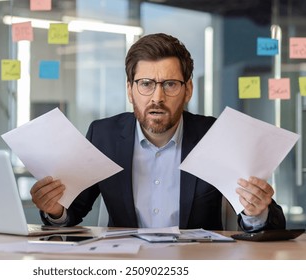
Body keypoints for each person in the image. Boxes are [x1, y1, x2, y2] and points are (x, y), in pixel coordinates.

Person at [31, 33, 285, 231]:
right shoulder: (104, 135)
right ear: (130, 90)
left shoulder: (214, 134)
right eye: (146, 84)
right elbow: (73, 210)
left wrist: (256, 211)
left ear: (188, 90)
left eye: (170, 84)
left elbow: (270, 223)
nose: (157, 97)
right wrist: (55, 210)